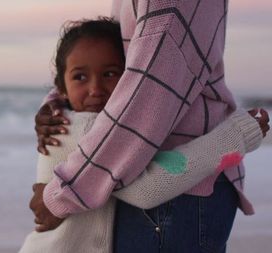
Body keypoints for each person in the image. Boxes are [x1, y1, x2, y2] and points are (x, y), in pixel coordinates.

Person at [30, 1, 271, 252]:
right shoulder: (83, 126)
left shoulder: (65, 118)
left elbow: (149, 77)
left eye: (111, 74)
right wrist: (237, 135)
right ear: (61, 85)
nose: (95, 89)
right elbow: (148, 188)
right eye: (80, 76)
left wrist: (53, 104)